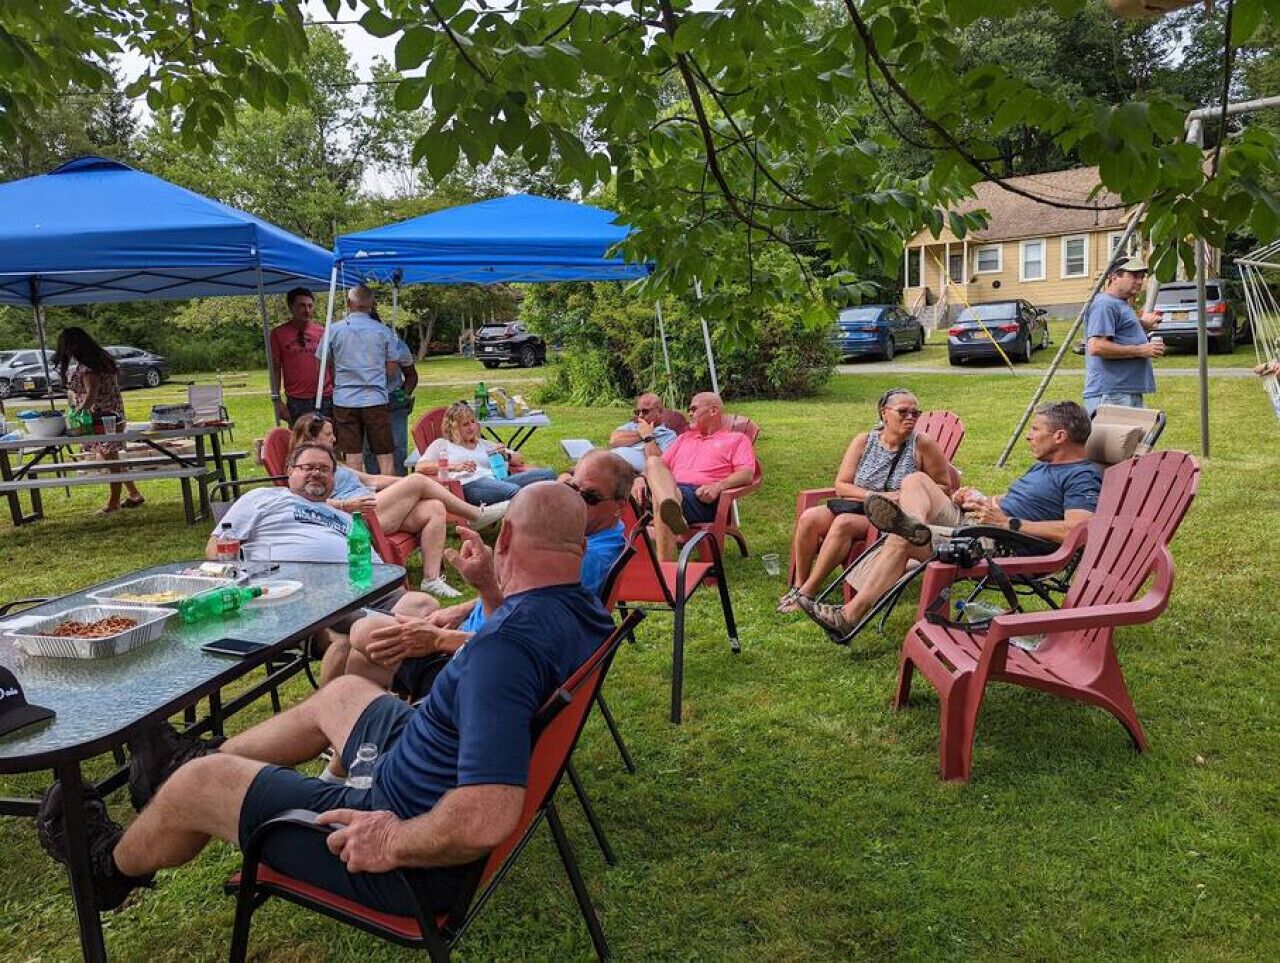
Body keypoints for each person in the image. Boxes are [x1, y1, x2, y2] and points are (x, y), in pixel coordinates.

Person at [36, 483, 616, 918]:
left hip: (403, 841)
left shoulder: (505, 651)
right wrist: (489, 589)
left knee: (203, 786)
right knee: (342, 692)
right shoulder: (583, 610)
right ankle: (176, 769)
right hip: (418, 757)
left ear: (506, 537)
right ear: (577, 544)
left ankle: (107, 868)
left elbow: (487, 812)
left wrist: (390, 838)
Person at [799, 401, 1102, 640]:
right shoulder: (1046, 465)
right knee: (917, 479)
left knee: (902, 540)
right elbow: (1017, 502)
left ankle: (848, 616)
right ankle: (913, 522)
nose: (1029, 435)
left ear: (1060, 436)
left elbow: (1079, 530)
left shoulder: (1082, 475)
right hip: (981, 523)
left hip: (1001, 543)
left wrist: (1009, 523)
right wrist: (981, 499)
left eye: (1036, 429)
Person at [343, 451, 635, 699]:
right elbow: (519, 611)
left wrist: (439, 639)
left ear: (620, 505)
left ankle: (372, 741)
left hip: (475, 670)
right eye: (571, 486)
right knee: (359, 646)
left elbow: (518, 648)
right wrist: (464, 606)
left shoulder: (582, 561)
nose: (574, 500)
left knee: (363, 635)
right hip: (477, 646)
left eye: (590, 497)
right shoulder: (582, 549)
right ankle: (354, 750)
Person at [289, 413, 507, 598]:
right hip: (358, 519)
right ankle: (476, 515)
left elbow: (371, 480)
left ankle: (431, 579)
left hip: (377, 509)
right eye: (328, 434)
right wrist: (346, 504)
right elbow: (305, 502)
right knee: (417, 480)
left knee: (434, 507)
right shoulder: (304, 469)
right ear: (312, 438)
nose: (334, 438)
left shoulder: (332, 463)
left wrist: (408, 485)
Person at [778, 388, 952, 614]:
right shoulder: (864, 441)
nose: (910, 418)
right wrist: (873, 496)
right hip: (860, 504)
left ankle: (808, 593)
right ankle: (799, 583)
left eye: (915, 413)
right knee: (809, 518)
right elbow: (841, 484)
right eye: (903, 412)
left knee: (843, 524)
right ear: (884, 413)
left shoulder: (922, 444)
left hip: (894, 518)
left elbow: (945, 487)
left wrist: (905, 496)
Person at [635, 391, 756, 561]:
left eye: (693, 408)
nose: (689, 413)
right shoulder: (684, 438)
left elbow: (747, 474)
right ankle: (671, 506)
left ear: (713, 411)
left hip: (701, 497)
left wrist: (717, 486)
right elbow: (659, 466)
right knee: (654, 463)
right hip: (672, 490)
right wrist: (640, 478)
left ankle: (665, 568)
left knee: (660, 498)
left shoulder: (736, 439)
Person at [53, 326, 145, 517]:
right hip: (114, 414)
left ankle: (113, 503)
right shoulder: (102, 360)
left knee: (111, 459)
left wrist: (78, 413)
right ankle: (134, 493)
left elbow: (91, 395)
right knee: (111, 457)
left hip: (101, 419)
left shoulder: (88, 368)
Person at [319, 285, 404, 476]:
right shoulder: (383, 331)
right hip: (375, 398)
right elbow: (391, 370)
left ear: (349, 304)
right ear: (372, 304)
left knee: (352, 453)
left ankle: (355, 494)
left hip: (344, 399)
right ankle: (388, 494)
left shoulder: (334, 330)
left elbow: (322, 364)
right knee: (384, 453)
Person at [415, 401, 556, 505]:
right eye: (465, 424)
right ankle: (531, 528)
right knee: (515, 491)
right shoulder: (442, 444)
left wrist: (506, 454)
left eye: (473, 422)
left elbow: (519, 460)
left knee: (548, 475)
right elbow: (420, 467)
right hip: (469, 486)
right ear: (453, 428)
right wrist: (454, 466)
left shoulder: (484, 444)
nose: (471, 427)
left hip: (498, 482)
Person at [1083, 255, 1165, 414]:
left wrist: (1143, 325)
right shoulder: (1105, 305)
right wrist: (1142, 350)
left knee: (1136, 438)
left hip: (1124, 390)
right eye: (1134, 276)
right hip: (1111, 392)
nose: (1140, 281)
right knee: (1114, 440)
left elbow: (1119, 333)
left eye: (1142, 277)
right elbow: (1097, 347)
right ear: (1114, 277)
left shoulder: (1120, 304)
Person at [363, 309, 418, 477]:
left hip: (393, 402)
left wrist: (403, 395)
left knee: (397, 448)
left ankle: (401, 486)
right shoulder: (354, 347)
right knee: (369, 449)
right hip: (365, 402)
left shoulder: (396, 344)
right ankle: (376, 489)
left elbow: (411, 375)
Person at [269, 287, 333, 424]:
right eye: (302, 306)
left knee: (327, 438)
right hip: (297, 398)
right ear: (291, 307)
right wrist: (277, 400)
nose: (307, 310)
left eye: (310, 306)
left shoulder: (323, 332)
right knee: (301, 441)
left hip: (325, 396)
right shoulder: (278, 334)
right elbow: (275, 367)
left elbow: (332, 364)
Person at [607, 392, 681, 471]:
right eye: (637, 412)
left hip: (626, 471)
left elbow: (659, 464)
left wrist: (648, 437)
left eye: (645, 411)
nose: (640, 415)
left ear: (659, 412)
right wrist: (641, 433)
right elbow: (613, 441)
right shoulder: (632, 425)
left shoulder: (669, 435)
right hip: (609, 460)